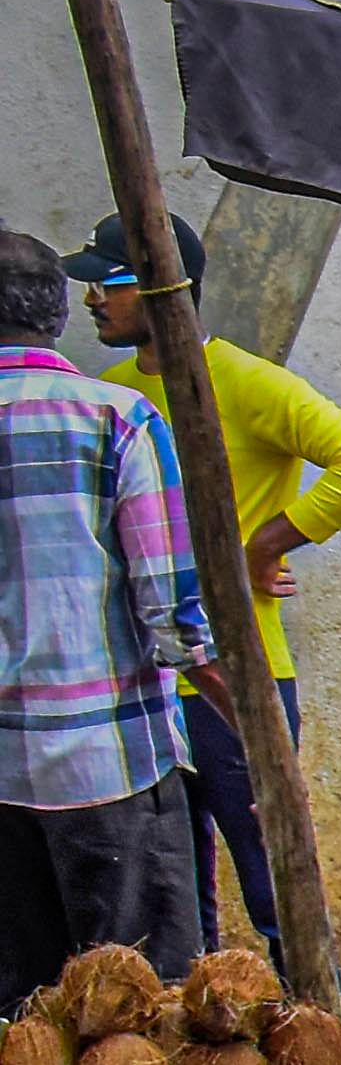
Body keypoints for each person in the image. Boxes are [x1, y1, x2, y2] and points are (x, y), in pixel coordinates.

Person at [71, 217, 341, 951]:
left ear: (164, 289)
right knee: (169, 894)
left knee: (270, 876)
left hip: (241, 672)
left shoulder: (247, 382)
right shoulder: (111, 395)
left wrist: (267, 543)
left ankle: (317, 1034)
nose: (93, 298)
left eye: (110, 282)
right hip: (145, 685)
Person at [0, 228, 210, 995]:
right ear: (54, 314)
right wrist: (236, 721)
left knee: (22, 1009)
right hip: (109, 758)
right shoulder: (114, 418)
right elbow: (169, 609)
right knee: (139, 1009)